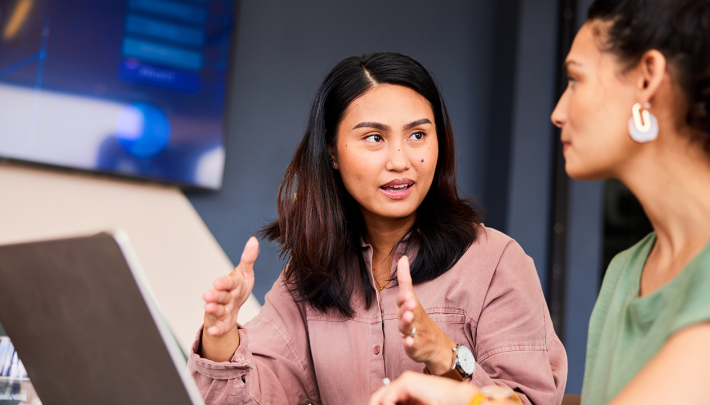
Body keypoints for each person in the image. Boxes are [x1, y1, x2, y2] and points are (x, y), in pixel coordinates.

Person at [370, 0, 710, 403]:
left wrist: (464, 396)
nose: (557, 112)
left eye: (575, 80)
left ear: (647, 79)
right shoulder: (627, 273)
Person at [187, 52, 567, 405]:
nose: (400, 161)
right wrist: (221, 339)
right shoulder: (308, 276)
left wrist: (445, 356)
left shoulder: (496, 263)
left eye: (417, 135)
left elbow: (527, 401)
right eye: (374, 138)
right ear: (332, 152)